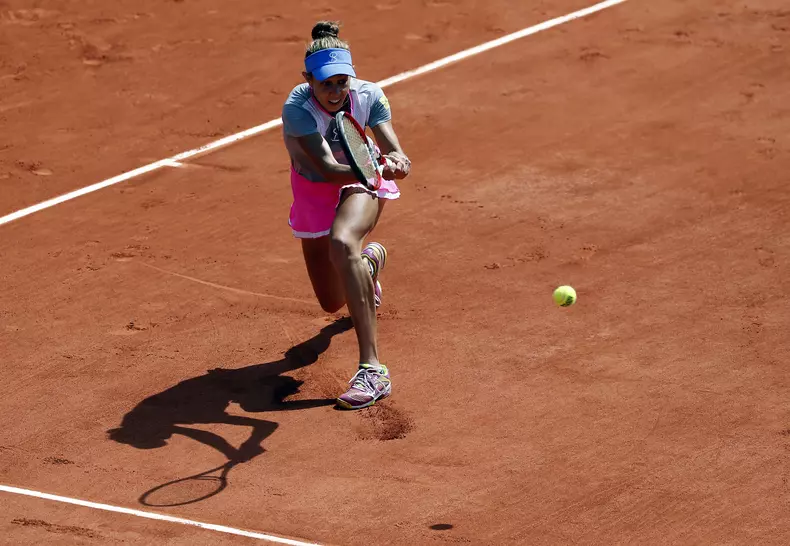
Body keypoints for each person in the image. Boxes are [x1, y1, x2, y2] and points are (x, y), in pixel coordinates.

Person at [281, 21, 411, 410]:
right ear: (308, 79)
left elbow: (392, 146)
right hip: (319, 188)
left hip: (358, 187)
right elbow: (324, 168)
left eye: (342, 82)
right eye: (326, 84)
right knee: (330, 303)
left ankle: (372, 370)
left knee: (343, 241)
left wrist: (398, 162)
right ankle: (367, 269)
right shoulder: (297, 109)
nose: (336, 92)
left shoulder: (369, 95)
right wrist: (373, 167)